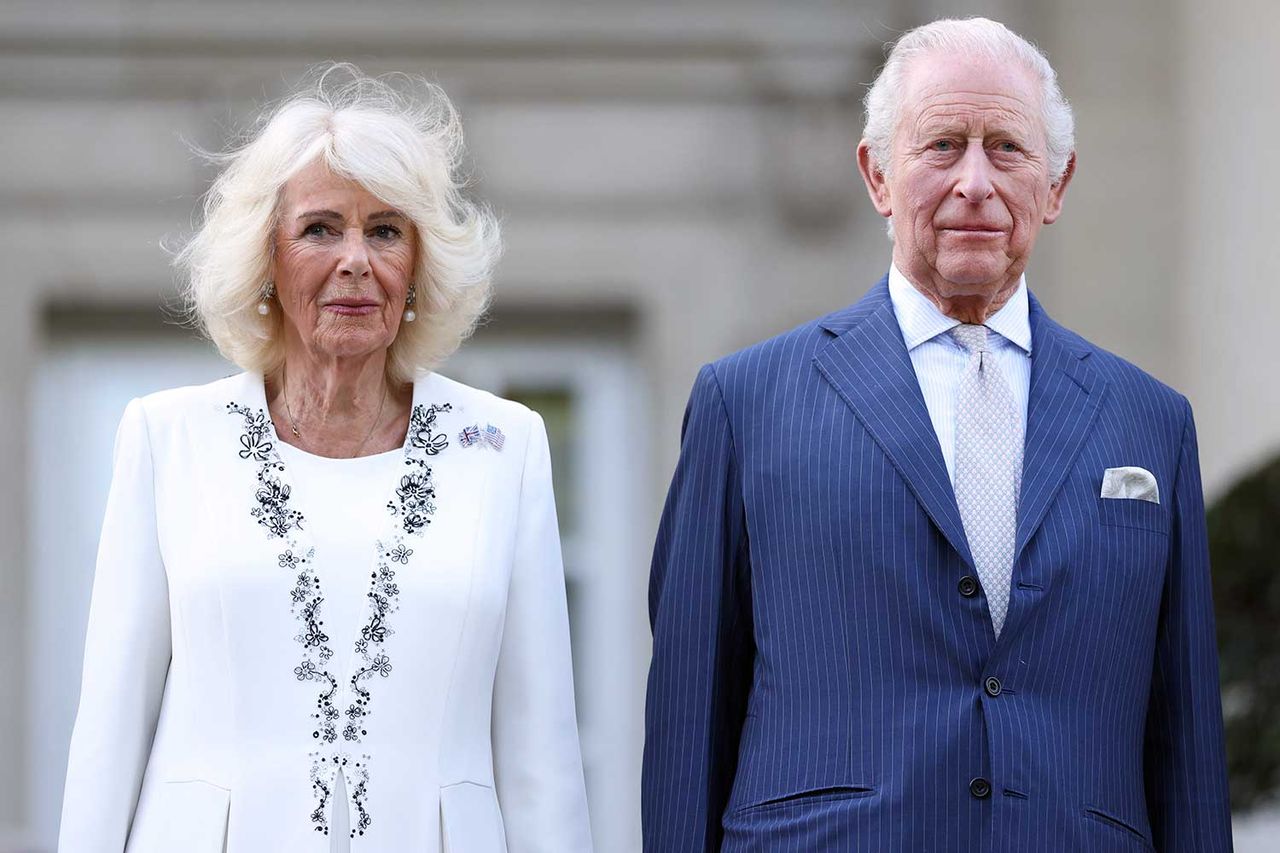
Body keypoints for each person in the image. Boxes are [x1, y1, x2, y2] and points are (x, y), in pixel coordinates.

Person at [642, 17, 1231, 852]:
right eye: (944, 145)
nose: (975, 182)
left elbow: (1188, 754)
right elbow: (686, 728)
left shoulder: (1151, 421)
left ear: (1057, 185)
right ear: (878, 174)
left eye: (1007, 149)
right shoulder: (747, 402)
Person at [59, 65, 592, 853]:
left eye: (384, 230)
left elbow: (540, 759)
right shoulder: (167, 440)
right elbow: (108, 736)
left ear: (416, 267)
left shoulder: (504, 449)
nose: (355, 259)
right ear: (267, 260)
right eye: (319, 228)